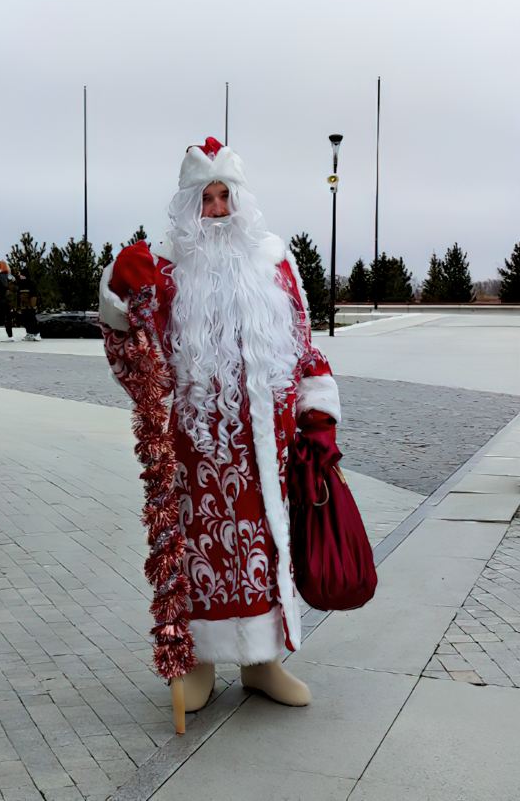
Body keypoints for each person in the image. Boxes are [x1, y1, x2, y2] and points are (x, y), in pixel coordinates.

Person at [100, 137, 341, 715]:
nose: (215, 210)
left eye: (224, 197)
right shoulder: (164, 270)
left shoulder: (275, 262)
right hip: (195, 449)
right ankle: (200, 661)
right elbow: (133, 355)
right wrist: (119, 293)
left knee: (263, 549)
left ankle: (263, 661)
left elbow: (303, 345)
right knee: (197, 552)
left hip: (266, 447)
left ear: (241, 201)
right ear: (188, 206)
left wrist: (317, 414)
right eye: (205, 199)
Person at [16, 270, 40, 341]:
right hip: (23, 304)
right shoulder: (20, 283)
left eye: (20, 274)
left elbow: (33, 294)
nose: (19, 275)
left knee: (31, 318)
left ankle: (36, 333)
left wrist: (33, 304)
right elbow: (18, 295)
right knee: (26, 319)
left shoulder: (30, 283)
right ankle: (29, 333)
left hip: (29, 304)